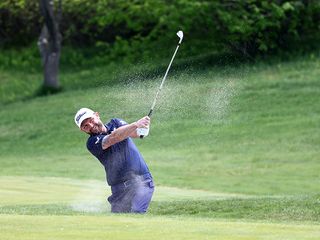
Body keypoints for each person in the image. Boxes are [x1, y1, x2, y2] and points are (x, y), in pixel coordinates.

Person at [74, 107, 154, 213]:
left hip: (141, 181)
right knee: (118, 221)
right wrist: (136, 124)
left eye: (91, 120)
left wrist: (143, 127)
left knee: (137, 212)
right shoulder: (92, 143)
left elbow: (136, 133)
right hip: (119, 189)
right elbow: (113, 138)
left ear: (97, 115)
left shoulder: (116, 123)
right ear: (82, 130)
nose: (91, 126)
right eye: (85, 126)